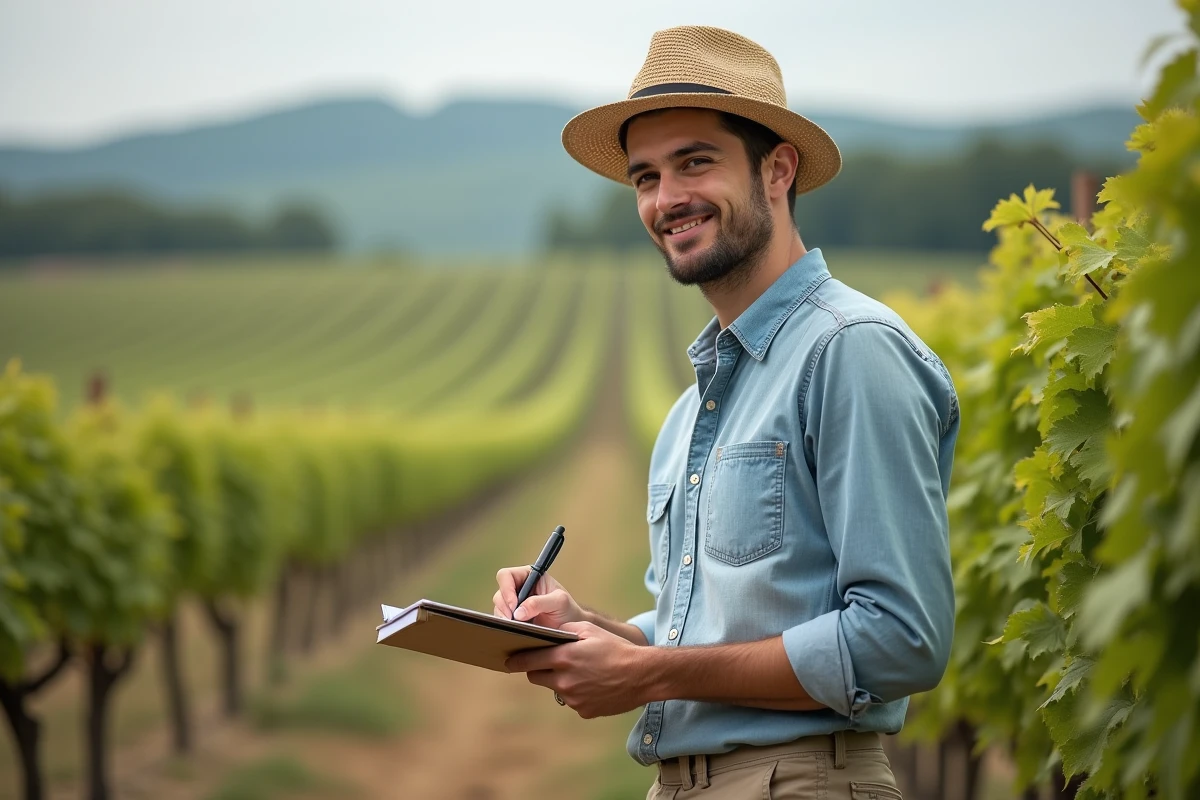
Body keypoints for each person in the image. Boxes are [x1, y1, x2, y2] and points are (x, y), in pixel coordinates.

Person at [495, 25, 958, 799]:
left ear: (777, 170)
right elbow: (699, 631)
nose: (666, 199)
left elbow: (899, 642)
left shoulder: (851, 351)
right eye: (645, 177)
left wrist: (645, 675)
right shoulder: (690, 413)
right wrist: (591, 627)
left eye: (695, 162)